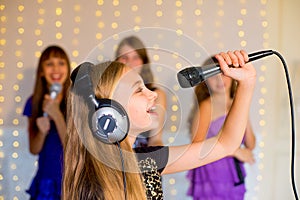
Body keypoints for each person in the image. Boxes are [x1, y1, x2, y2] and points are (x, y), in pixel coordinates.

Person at [63, 50, 256, 200]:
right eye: (139, 90)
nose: (153, 94)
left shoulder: (147, 161)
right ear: (109, 112)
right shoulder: (94, 185)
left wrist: (247, 83)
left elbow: (225, 144)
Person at [186, 57, 256, 200]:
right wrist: (235, 151)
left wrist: (242, 110)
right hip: (212, 172)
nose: (219, 80)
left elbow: (250, 144)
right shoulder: (206, 107)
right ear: (205, 79)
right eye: (212, 76)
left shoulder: (237, 103)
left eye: (222, 73)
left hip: (232, 173)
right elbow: (197, 146)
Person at [23, 45, 71, 200]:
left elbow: (73, 147)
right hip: (46, 182)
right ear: (42, 72)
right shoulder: (34, 102)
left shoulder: (76, 100)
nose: (56, 68)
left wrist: (57, 115)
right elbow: (34, 149)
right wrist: (42, 132)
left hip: (71, 181)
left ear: (68, 68)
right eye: (49, 64)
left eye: (61, 63)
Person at [115, 35, 166, 147]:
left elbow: (155, 140)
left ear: (144, 61)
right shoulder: (109, 92)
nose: (130, 62)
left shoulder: (156, 94)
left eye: (135, 57)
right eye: (124, 57)